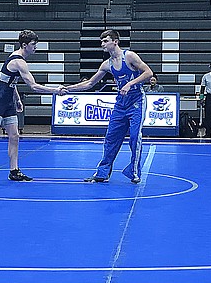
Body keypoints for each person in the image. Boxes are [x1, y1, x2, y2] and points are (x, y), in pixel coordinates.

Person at [0, 30, 64, 182]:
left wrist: (17, 99)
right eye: (33, 45)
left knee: (14, 136)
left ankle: (14, 170)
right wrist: (55, 90)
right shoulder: (19, 62)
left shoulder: (17, 58)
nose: (36, 48)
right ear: (24, 45)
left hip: (8, 100)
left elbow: (10, 82)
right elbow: (33, 86)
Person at [64, 29, 153, 184]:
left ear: (115, 42)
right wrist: (68, 89)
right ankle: (102, 173)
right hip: (121, 103)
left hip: (136, 100)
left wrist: (130, 83)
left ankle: (134, 172)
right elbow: (90, 83)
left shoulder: (129, 56)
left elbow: (148, 73)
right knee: (110, 138)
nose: (102, 44)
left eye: (105, 41)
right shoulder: (107, 64)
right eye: (101, 41)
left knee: (134, 137)